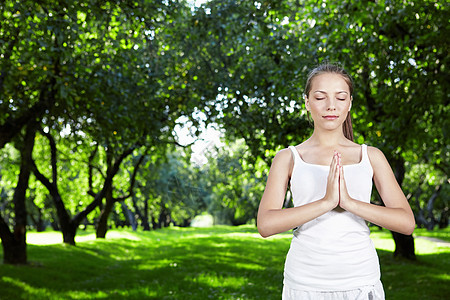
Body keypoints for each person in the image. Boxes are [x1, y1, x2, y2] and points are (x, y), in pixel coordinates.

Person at [257, 62, 415, 300]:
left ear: (349, 103)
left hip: (361, 281)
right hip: (304, 283)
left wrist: (349, 202)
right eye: (320, 97)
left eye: (340, 98)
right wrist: (326, 202)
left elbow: (406, 222)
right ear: (307, 101)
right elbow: (266, 225)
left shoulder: (371, 156)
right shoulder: (287, 158)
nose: (331, 106)